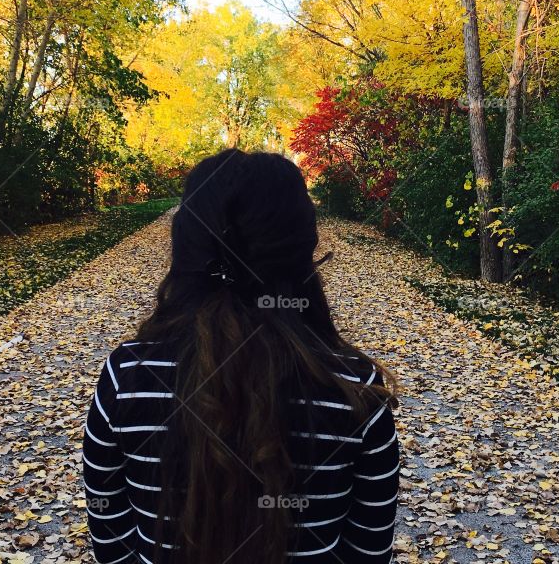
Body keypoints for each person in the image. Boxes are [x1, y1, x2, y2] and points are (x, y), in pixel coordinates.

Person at [82, 148, 401, 564]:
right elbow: (368, 553)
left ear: (188, 244)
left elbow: (112, 544)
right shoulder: (355, 391)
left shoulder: (126, 379)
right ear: (301, 249)